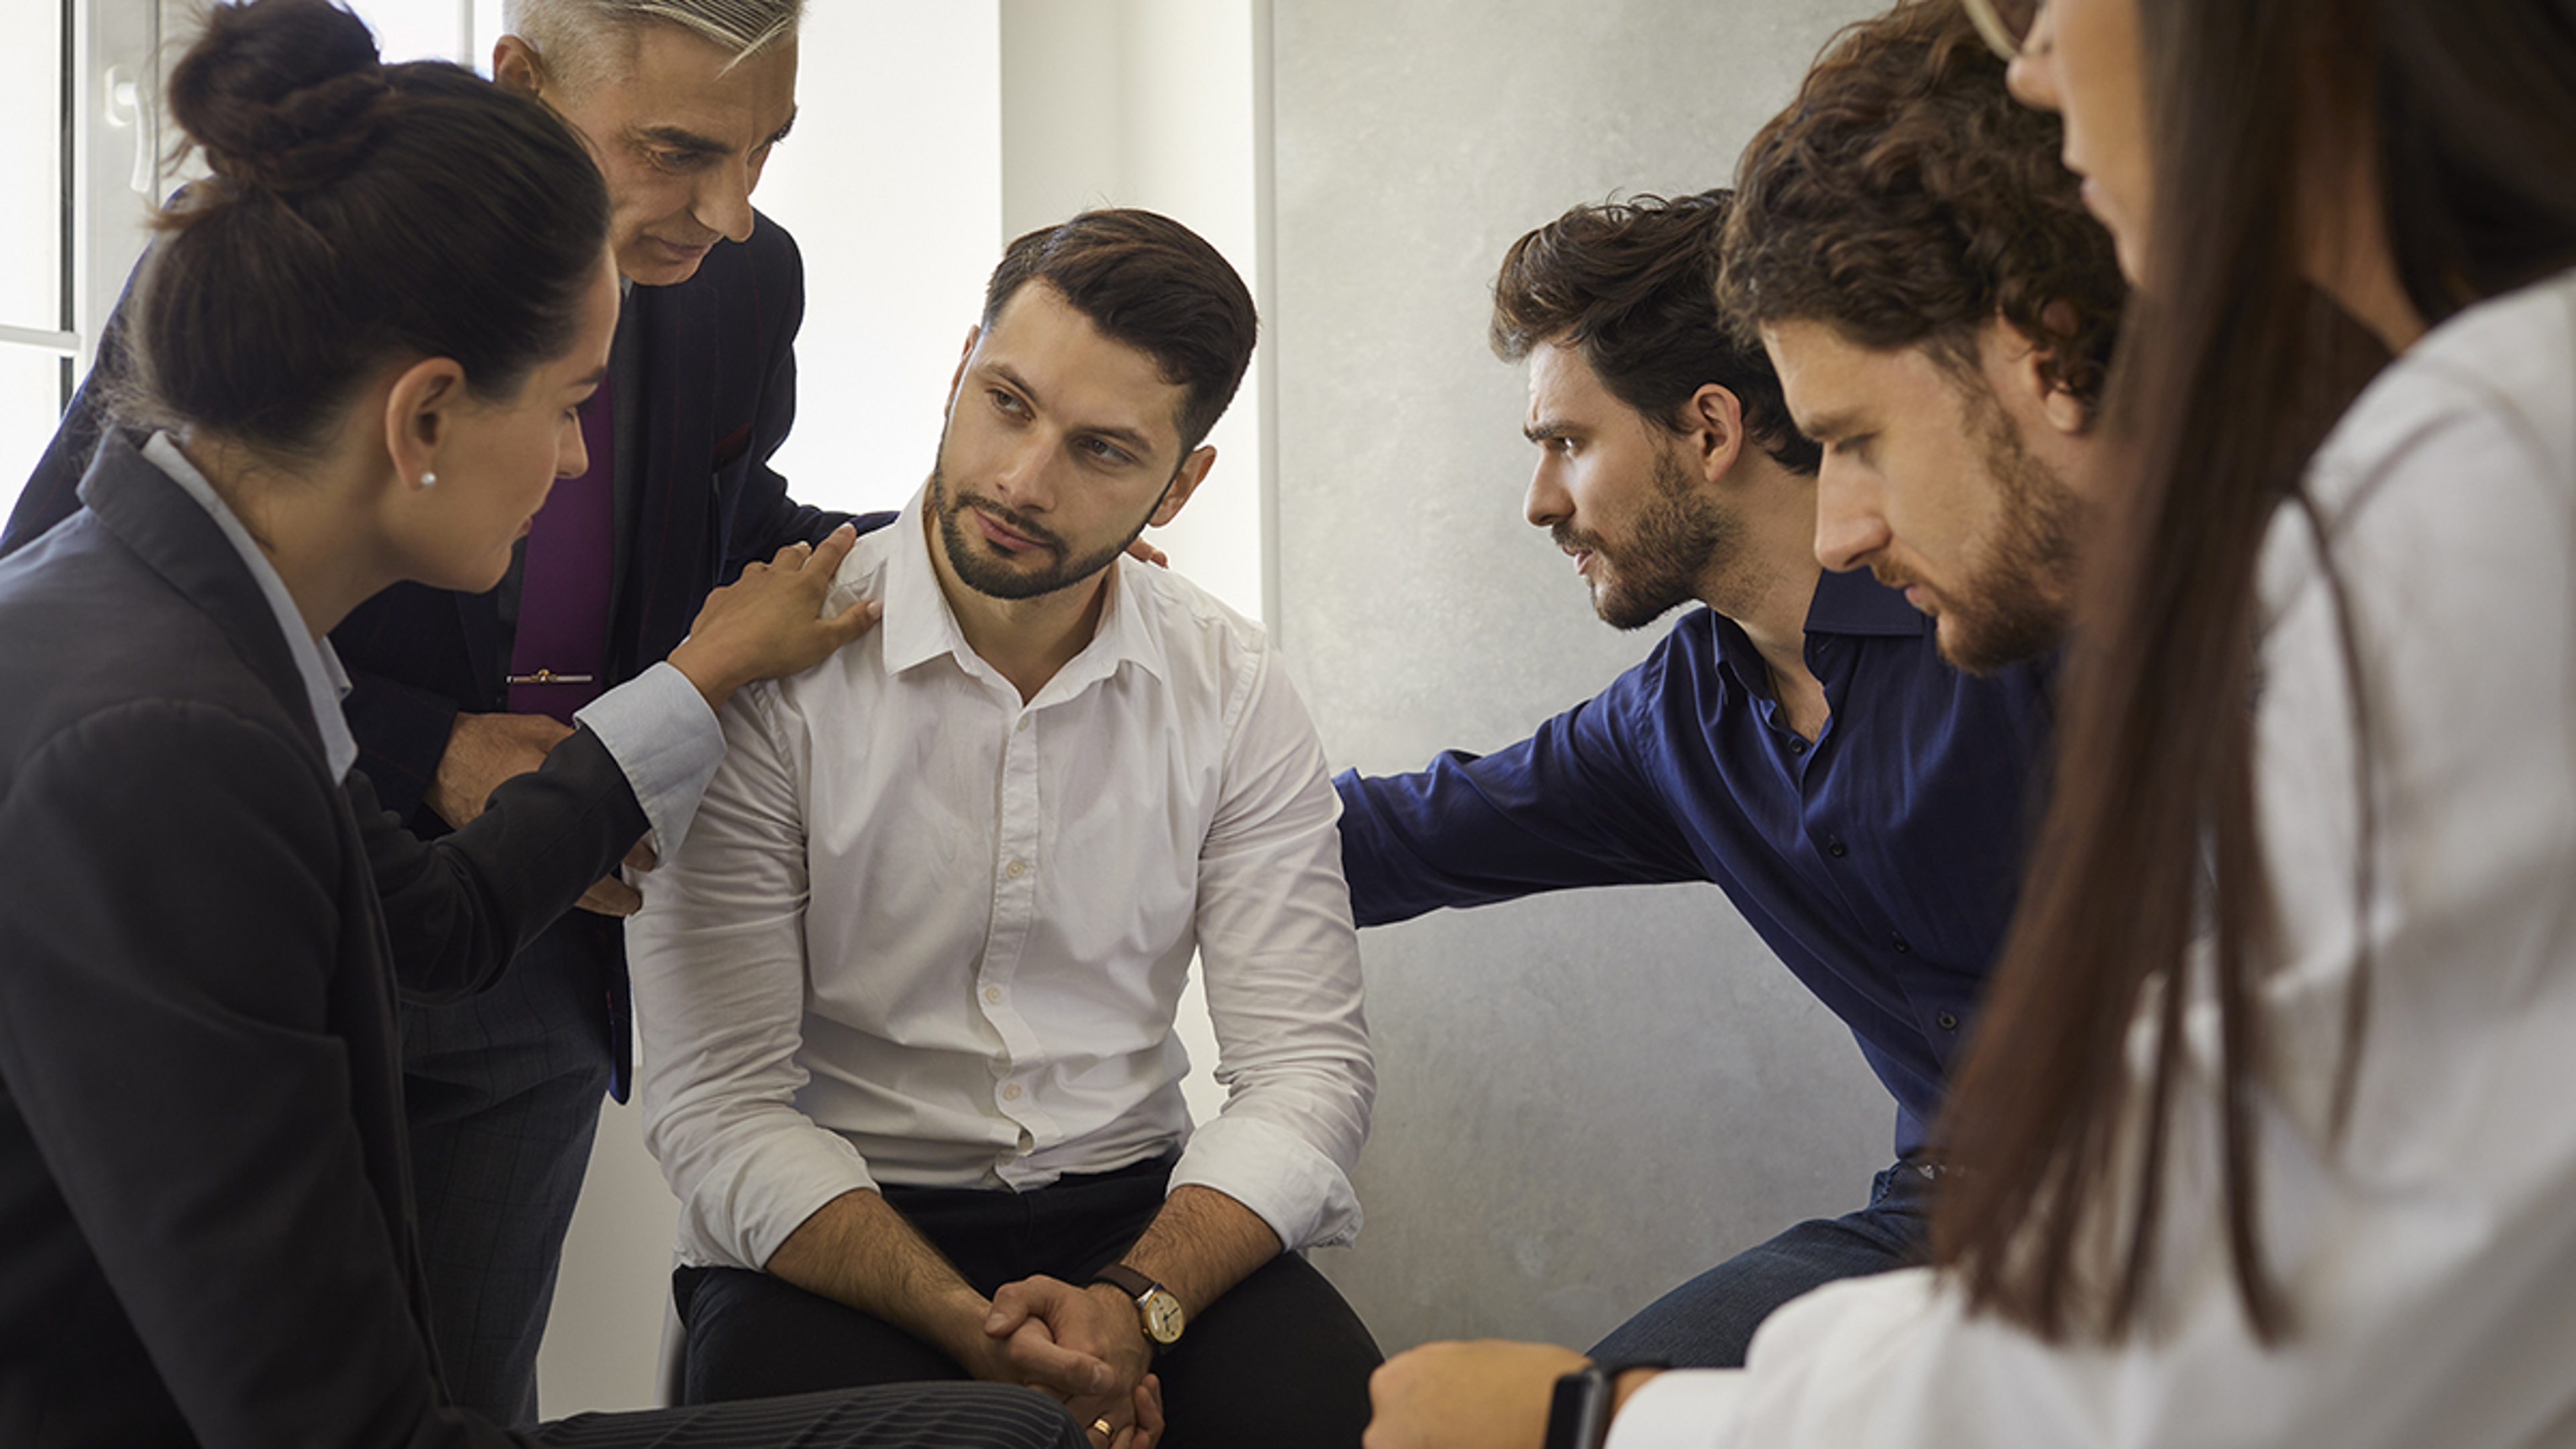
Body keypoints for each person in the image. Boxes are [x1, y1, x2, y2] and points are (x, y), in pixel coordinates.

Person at [1364, 0, 2576, 1442]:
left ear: (2044, 353)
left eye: (1860, 442)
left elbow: (2309, 1280)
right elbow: (1405, 830)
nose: (2040, 65)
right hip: (1991, 1212)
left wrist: (1608, 1424)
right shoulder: (1678, 720)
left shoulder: (2425, 499)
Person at [0, 5, 1089, 1448]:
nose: (731, 212)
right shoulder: (171, 727)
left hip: (539, 934)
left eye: (764, 152)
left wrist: (966, 554)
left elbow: (447, 921)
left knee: (479, 1358)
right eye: (680, 151)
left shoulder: (221, 628)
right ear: (426, 417)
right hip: (315, 900)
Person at [1332, 38, 2113, 1372]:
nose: (1539, 503)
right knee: (1581, 1408)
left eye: (1566, 444)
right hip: (1942, 1222)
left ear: (1708, 430)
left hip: (2184, 1187)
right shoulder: (1676, 725)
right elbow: (1395, 838)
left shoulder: (2030, 608)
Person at [625, 208, 1380, 1449]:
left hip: (1135, 1216)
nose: (1025, 482)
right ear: (959, 367)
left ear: (1180, 484)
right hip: (839, 1220)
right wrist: (969, 1331)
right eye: (1009, 402)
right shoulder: (774, 660)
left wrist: (1136, 1307)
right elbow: (718, 1103)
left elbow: (1307, 1072)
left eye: (1102, 451)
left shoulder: (1233, 684)